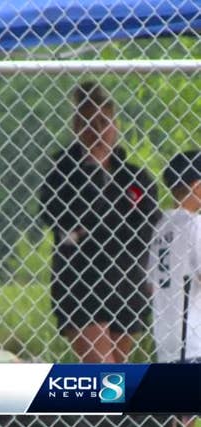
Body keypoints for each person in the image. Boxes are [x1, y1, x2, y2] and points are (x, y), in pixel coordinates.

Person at [39, 81, 159, 363]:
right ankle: (100, 409)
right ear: (77, 128)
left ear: (116, 125)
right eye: (88, 123)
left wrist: (92, 230)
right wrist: (91, 171)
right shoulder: (62, 174)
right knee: (101, 370)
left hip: (127, 282)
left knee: (116, 373)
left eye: (104, 122)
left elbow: (145, 229)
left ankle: (109, 409)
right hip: (80, 282)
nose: (97, 131)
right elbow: (59, 215)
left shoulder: (134, 178)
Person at [147, 150, 201, 427]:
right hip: (193, 339)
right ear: (196, 186)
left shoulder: (161, 225)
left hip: (166, 337)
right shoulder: (195, 224)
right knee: (182, 421)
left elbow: (150, 284)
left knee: (176, 422)